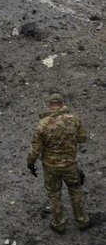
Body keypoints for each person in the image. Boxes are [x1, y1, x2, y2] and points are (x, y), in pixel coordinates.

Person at [27, 93, 91, 233]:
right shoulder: (74, 119)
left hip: (51, 167)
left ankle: (59, 224)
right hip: (70, 165)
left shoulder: (42, 125)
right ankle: (82, 220)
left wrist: (30, 163)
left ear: (49, 105)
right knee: (75, 190)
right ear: (62, 104)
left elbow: (35, 149)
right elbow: (82, 138)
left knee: (54, 194)